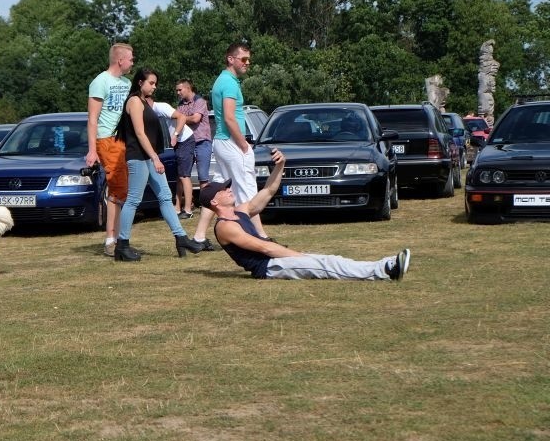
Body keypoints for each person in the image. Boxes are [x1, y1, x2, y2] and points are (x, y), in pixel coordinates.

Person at [200, 147, 411, 280]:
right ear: (215, 201)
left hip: (276, 260)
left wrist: (280, 165)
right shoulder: (226, 226)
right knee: (326, 264)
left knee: (329, 261)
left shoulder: (241, 211)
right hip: (270, 267)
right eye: (224, 189)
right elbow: (264, 247)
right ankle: (385, 269)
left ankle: (385, 266)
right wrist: (301, 258)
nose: (229, 189)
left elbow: (269, 191)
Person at [113, 68, 204, 261]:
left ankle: (181, 238)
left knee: (164, 196)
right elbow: (139, 133)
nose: (154, 87)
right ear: (140, 82)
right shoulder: (134, 102)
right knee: (133, 200)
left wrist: (154, 156)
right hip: (139, 157)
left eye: (155, 83)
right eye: (151, 83)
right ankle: (122, 245)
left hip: (149, 156)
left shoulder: (146, 103)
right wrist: (155, 157)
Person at [210, 41, 271, 240]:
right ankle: (258, 234)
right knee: (247, 190)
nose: (247, 63)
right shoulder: (228, 82)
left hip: (221, 141)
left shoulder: (224, 80)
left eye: (248, 60)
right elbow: (229, 117)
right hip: (230, 142)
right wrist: (243, 143)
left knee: (222, 189)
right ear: (231, 59)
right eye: (243, 59)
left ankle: (200, 235)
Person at [86, 43, 134, 256]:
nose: (133, 62)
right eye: (131, 59)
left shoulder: (127, 82)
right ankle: (112, 240)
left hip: (124, 139)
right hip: (106, 139)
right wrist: (92, 150)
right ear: (120, 60)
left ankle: (118, 238)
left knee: (123, 190)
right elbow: (92, 119)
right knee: (119, 190)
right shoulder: (100, 82)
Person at [174, 78, 211, 219]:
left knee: (203, 178)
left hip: (202, 142)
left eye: (180, 89)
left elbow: (195, 119)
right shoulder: (180, 104)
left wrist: (182, 118)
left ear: (188, 88)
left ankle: (206, 208)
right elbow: (177, 119)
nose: (178, 93)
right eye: (177, 90)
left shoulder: (200, 101)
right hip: (186, 143)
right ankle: (180, 207)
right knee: (182, 175)